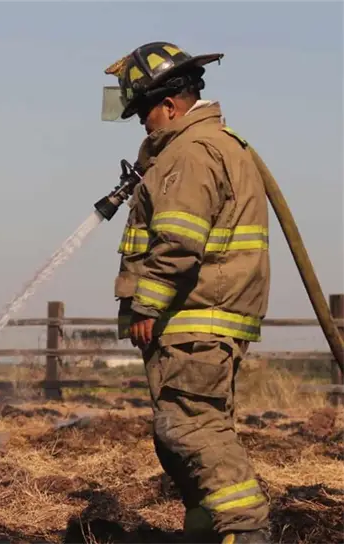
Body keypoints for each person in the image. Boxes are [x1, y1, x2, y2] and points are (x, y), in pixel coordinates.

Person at [102, 42, 273, 544]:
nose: (143, 126)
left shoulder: (191, 153)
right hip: (203, 314)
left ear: (171, 106)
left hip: (197, 315)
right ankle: (207, 533)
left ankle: (246, 531)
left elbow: (178, 240)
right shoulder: (208, 145)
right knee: (181, 436)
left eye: (144, 115)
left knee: (193, 429)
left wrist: (146, 302)